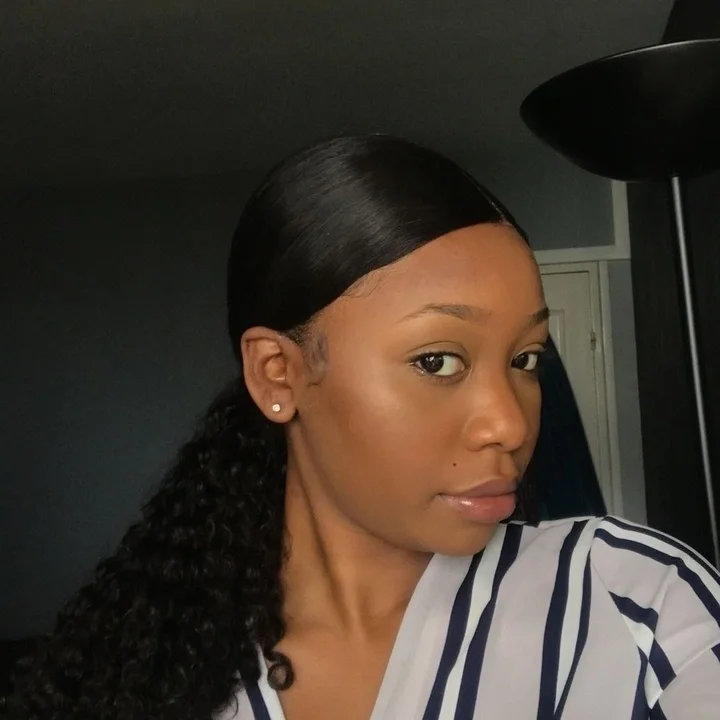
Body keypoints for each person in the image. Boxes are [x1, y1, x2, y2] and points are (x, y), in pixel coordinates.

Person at [7, 135, 720, 720]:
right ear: (278, 374)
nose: (509, 423)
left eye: (526, 359)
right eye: (437, 360)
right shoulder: (144, 668)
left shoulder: (637, 602)